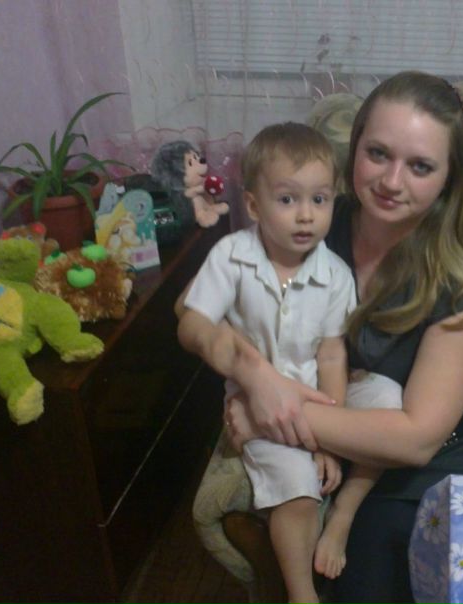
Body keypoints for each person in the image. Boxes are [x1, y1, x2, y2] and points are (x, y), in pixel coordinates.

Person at [183, 71, 463, 603]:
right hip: (376, 462)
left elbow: (417, 438)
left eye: (420, 166)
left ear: (449, 179)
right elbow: (191, 307)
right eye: (378, 153)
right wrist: (253, 373)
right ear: (354, 148)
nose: (392, 181)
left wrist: (272, 413)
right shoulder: (312, 221)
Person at [175, 121, 398, 603]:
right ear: (254, 206)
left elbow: (332, 354)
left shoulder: (334, 274)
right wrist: (236, 361)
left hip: (319, 397)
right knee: (297, 488)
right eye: (287, 199)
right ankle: (302, 595)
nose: (305, 216)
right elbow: (192, 324)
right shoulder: (232, 257)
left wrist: (332, 438)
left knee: (388, 397)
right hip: (263, 410)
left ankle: (344, 514)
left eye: (319, 200)